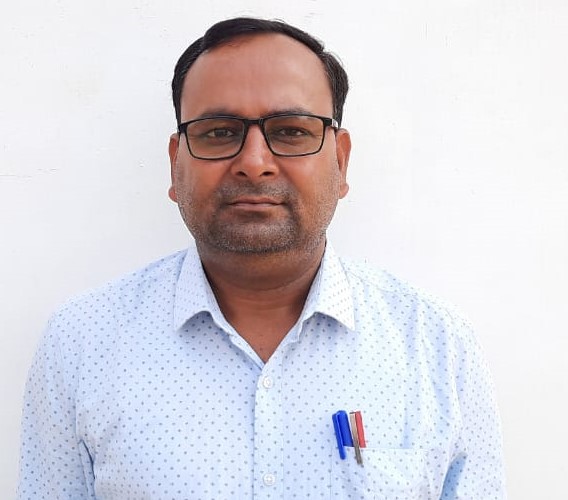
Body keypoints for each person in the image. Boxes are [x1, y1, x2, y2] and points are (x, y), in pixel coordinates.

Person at [17, 17, 506, 499]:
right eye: (218, 132)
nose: (254, 163)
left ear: (340, 161)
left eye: (291, 131)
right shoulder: (82, 344)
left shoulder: (438, 347)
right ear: (175, 163)